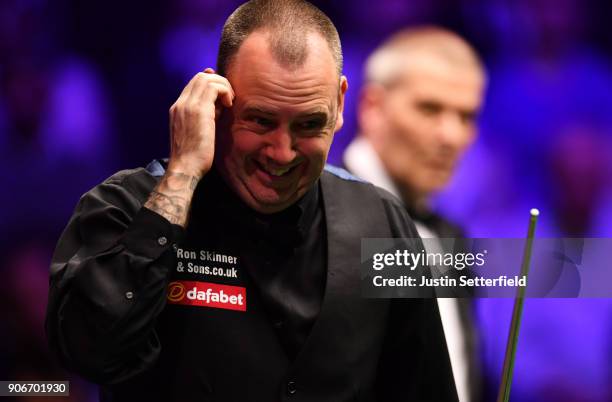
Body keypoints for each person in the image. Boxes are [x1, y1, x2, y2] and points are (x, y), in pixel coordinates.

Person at [45, 1, 458, 401]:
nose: (282, 152)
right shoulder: (126, 206)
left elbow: (426, 389)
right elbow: (89, 352)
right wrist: (183, 173)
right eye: (260, 120)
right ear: (216, 103)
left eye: (309, 124)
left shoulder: (380, 221)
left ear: (339, 103)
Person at [343, 27, 487, 402]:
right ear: (372, 108)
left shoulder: (450, 237)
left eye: (466, 116)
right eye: (430, 108)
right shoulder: (315, 211)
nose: (451, 136)